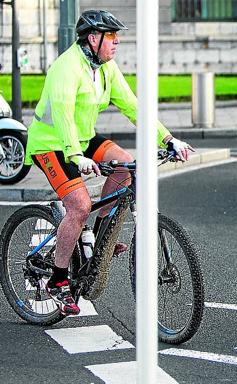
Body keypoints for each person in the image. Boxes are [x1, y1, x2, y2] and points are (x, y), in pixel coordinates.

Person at [24, 10, 193, 315]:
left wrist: (168, 139)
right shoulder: (66, 68)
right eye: (112, 36)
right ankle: (58, 281)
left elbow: (133, 107)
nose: (116, 42)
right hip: (50, 143)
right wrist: (76, 156)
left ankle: (99, 243)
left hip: (83, 137)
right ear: (93, 38)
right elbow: (61, 116)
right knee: (79, 206)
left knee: (126, 167)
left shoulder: (106, 69)